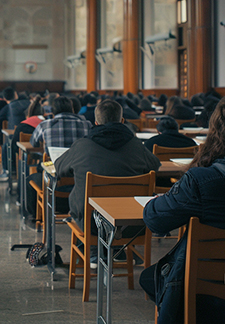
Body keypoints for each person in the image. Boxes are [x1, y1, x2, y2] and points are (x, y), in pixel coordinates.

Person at [140, 96, 225, 324]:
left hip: (205, 291)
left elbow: (156, 221)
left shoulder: (200, 180)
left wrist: (162, 199)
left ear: (216, 130)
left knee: (150, 278)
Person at [55, 99, 160, 234]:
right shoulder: (136, 145)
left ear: (96, 123)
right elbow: (155, 166)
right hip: (130, 223)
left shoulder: (82, 146)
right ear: (122, 121)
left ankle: (93, 250)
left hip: (90, 222)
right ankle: (116, 251)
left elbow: (59, 167)